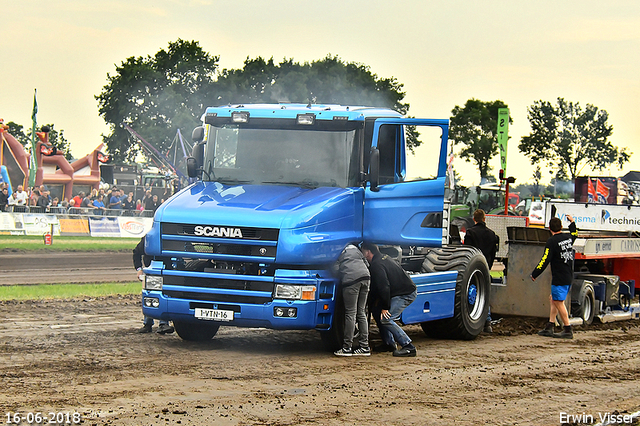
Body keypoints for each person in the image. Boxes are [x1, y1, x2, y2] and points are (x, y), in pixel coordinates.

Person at [361, 242, 417, 357]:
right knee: (377, 313)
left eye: (362, 251)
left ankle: (408, 346)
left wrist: (385, 307)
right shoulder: (383, 258)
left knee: (387, 318)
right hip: (399, 291)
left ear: (368, 252)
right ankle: (389, 343)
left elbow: (384, 287)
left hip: (405, 293)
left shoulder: (377, 265)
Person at [530, 215, 578, 339]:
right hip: (568, 274)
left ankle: (567, 328)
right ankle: (550, 325)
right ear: (561, 227)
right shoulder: (568, 238)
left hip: (559, 276)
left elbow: (545, 259)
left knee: (558, 301)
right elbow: (575, 233)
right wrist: (572, 222)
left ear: (550, 229)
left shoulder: (552, 241)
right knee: (553, 299)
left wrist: (535, 273)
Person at [333, 243, 371, 357]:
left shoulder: (339, 250)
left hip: (351, 281)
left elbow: (335, 269)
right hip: (366, 278)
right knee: (361, 312)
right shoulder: (357, 251)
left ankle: (347, 348)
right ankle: (364, 347)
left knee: (350, 313)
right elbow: (367, 264)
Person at [464, 208, 498, 333]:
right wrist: (488, 266)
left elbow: (467, 251)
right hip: (485, 268)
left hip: (473, 268)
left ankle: (472, 317)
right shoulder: (492, 234)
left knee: (471, 294)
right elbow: (493, 254)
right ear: (484, 219)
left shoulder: (470, 233)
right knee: (484, 294)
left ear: (474, 219)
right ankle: (487, 322)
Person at [133, 236, 174, 334]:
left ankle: (161, 323)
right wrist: (139, 269)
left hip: (166, 272)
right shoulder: (148, 238)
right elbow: (136, 252)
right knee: (152, 294)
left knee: (162, 295)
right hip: (153, 272)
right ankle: (150, 323)